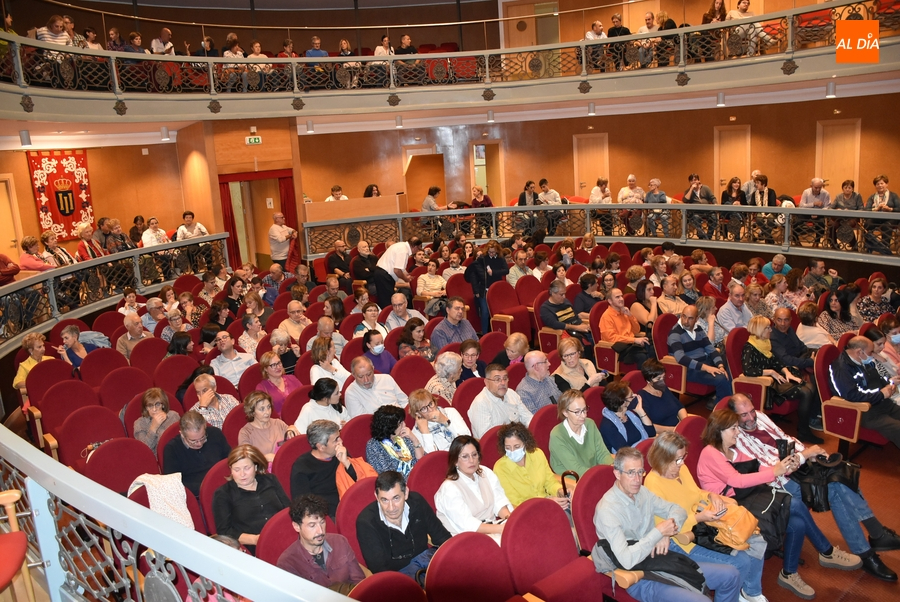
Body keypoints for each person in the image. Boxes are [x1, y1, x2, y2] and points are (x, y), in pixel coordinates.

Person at [729, 394, 900, 581]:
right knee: (836, 487)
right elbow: (774, 469)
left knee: (841, 473)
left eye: (752, 411)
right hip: (780, 485)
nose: (752, 418)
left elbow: (785, 437)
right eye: (744, 415)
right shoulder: (737, 439)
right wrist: (806, 454)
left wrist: (807, 453)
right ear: (733, 417)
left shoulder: (760, 416)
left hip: (797, 468)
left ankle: (874, 540)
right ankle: (871, 545)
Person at [697, 409, 862, 599]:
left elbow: (758, 467)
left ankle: (790, 573)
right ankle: (826, 551)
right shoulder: (710, 453)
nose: (737, 432)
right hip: (728, 510)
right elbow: (738, 481)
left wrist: (784, 467)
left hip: (746, 500)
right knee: (793, 504)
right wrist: (775, 471)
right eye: (733, 428)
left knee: (797, 522)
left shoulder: (733, 450)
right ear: (719, 430)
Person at [592, 446, 742, 602]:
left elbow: (678, 510)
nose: (637, 479)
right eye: (630, 473)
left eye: (640, 472)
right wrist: (658, 533)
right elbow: (627, 560)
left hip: (661, 560)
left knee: (731, 575)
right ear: (617, 473)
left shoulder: (642, 492)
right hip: (639, 576)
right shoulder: (608, 511)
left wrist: (667, 528)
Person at [643, 432, 767, 602]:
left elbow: (695, 493)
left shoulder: (681, 469)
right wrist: (700, 518)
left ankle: (747, 593)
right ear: (662, 458)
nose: (682, 463)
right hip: (681, 542)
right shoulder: (652, 483)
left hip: (701, 529)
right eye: (677, 459)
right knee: (741, 561)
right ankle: (737, 595)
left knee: (754, 540)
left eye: (683, 457)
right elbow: (668, 527)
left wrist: (711, 496)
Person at [356, 471, 452, 576]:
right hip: (398, 580)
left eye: (396, 498)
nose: (391, 508)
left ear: (406, 493)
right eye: (384, 500)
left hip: (427, 567)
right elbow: (380, 570)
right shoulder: (367, 523)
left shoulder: (417, 502)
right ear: (376, 496)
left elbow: (441, 536)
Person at [743, 316, 818, 442]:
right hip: (766, 385)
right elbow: (748, 370)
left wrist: (787, 372)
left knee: (810, 387)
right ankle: (803, 432)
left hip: (776, 378)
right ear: (760, 329)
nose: (771, 330)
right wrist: (771, 372)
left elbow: (777, 362)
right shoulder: (750, 347)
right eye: (767, 328)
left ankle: (806, 426)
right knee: (805, 392)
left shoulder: (765, 343)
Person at [277, 494, 365, 592]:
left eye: (322, 522)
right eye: (312, 525)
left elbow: (359, 582)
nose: (320, 531)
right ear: (297, 526)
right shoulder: (287, 563)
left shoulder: (340, 542)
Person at [435, 436, 513, 543]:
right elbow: (468, 525)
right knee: (509, 543)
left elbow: (499, 502)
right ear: (455, 461)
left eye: (474, 455)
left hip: (491, 527)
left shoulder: (485, 472)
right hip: (465, 538)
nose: (471, 460)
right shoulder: (450, 489)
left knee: (521, 532)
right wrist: (502, 529)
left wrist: (510, 521)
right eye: (465, 456)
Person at [828, 336, 900, 449]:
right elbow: (852, 396)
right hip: (865, 411)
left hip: (882, 403)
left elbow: (878, 378)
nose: (872, 354)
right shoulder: (841, 369)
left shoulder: (864, 359)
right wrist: (881, 394)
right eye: (870, 351)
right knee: (898, 428)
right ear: (859, 352)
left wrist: (888, 384)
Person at [290, 420, 363, 517]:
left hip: (351, 503)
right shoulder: (302, 467)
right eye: (336, 440)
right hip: (327, 514)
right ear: (321, 447)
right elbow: (303, 504)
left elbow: (358, 481)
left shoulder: (340, 454)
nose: (341, 441)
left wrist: (346, 462)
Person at [667, 305, 732, 402]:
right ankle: (722, 408)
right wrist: (707, 368)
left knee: (728, 362)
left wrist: (720, 366)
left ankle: (723, 397)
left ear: (697, 319)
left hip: (704, 362)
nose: (685, 321)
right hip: (690, 369)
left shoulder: (698, 329)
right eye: (684, 316)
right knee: (722, 378)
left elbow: (711, 349)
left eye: (690, 318)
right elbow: (681, 358)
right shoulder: (675, 333)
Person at [163, 410, 231, 497]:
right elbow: (173, 483)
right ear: (182, 435)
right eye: (193, 441)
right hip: (195, 494)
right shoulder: (172, 449)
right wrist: (206, 486)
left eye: (203, 438)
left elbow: (230, 460)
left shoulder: (215, 434)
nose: (199, 443)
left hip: (223, 485)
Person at [468, 364, 533, 438]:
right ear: (486, 382)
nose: (502, 383)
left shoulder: (511, 393)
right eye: (497, 379)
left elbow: (528, 418)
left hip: (518, 439)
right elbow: (487, 438)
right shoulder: (480, 404)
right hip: (496, 446)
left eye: (505, 378)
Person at [365, 405, 423, 477]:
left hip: (418, 477)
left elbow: (422, 461)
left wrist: (415, 440)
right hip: (400, 485)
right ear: (390, 427)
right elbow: (388, 476)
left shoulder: (402, 436)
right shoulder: (374, 446)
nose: (404, 425)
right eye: (401, 424)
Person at [599, 380, 655, 453]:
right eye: (631, 396)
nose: (635, 396)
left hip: (643, 451)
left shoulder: (630, 414)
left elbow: (651, 433)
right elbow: (625, 452)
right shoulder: (608, 426)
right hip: (631, 458)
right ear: (622, 402)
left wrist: (641, 412)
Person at [599, 288, 652, 367]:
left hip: (631, 345)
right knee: (642, 356)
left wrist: (630, 315)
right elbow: (611, 338)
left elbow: (636, 330)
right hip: (619, 349)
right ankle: (640, 379)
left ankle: (653, 377)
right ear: (610, 301)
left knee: (652, 349)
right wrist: (634, 340)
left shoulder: (624, 312)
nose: (621, 299)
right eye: (617, 297)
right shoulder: (607, 316)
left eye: (621, 296)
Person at [408, 389, 470, 453]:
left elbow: (468, 440)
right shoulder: (416, 432)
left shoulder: (450, 412)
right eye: (423, 408)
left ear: (434, 401)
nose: (430, 409)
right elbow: (431, 458)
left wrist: (445, 421)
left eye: (430, 404)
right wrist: (425, 433)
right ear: (418, 413)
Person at [237, 391, 294, 461]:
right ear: (252, 412)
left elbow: (293, 446)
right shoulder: (246, 432)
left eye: (268, 407)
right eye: (262, 409)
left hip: (285, 463)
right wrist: (264, 458)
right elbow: (247, 459)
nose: (267, 412)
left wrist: (292, 429)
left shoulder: (278, 423)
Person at [465, 240, 508, 331]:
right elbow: (473, 273)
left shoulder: (500, 258)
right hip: (484, 288)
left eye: (493, 252)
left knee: (498, 311)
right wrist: (476, 290)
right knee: (485, 312)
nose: (491, 254)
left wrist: (494, 272)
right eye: (489, 252)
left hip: (496, 288)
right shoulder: (483, 258)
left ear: (497, 250)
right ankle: (485, 333)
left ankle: (497, 331)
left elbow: (506, 270)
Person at [638, 359, 688, 430]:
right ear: (648, 380)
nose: (662, 381)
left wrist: (685, 423)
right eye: (658, 379)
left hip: (677, 427)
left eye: (663, 377)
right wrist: (674, 430)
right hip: (663, 434)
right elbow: (649, 426)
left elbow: (679, 407)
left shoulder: (664, 388)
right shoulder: (642, 397)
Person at [373, 237, 422, 308]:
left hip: (381, 273)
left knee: (386, 300)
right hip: (384, 275)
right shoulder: (404, 251)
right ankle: (387, 318)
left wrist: (405, 275)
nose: (418, 250)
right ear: (415, 246)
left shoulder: (400, 245)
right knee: (387, 302)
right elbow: (397, 270)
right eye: (419, 248)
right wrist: (406, 279)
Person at [541, 280, 593, 345]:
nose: (564, 297)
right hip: (566, 334)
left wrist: (583, 324)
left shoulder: (566, 301)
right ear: (552, 293)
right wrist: (577, 327)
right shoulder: (546, 308)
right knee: (584, 343)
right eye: (561, 294)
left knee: (596, 334)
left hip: (578, 328)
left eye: (565, 294)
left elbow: (575, 316)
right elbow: (555, 324)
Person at [132, 388, 180, 455]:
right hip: (157, 460)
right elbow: (144, 450)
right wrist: (153, 428)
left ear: (163, 405)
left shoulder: (173, 416)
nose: (154, 409)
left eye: (157, 404)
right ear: (146, 407)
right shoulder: (140, 423)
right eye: (150, 405)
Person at [515, 350, 563, 414]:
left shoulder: (548, 379)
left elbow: (561, 399)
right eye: (545, 361)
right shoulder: (523, 392)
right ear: (536, 367)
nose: (549, 364)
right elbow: (535, 420)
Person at [864, 175, 900, 256]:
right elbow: (866, 209)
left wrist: (890, 209)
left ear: (886, 184)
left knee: (886, 226)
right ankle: (870, 246)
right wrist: (876, 209)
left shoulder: (893, 196)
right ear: (875, 186)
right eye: (877, 184)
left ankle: (885, 249)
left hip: (890, 218)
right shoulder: (872, 196)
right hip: (876, 218)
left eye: (882, 183)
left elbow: (899, 208)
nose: (880, 185)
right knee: (867, 224)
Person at [683, 173, 718, 240]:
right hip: (696, 212)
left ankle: (709, 236)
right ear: (690, 182)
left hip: (707, 211)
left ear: (699, 181)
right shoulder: (688, 191)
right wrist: (691, 189)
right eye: (691, 181)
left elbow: (712, 198)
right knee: (695, 218)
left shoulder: (706, 188)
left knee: (714, 217)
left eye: (695, 180)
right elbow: (685, 200)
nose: (694, 182)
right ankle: (703, 236)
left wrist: (715, 204)